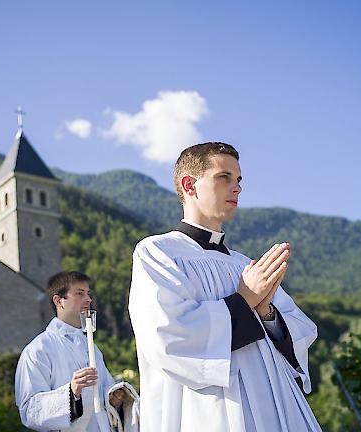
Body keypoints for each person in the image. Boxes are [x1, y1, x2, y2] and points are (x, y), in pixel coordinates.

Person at [129, 142, 321, 431]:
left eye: (239, 180)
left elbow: (299, 332)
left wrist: (267, 312)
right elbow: (169, 333)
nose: (237, 188)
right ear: (189, 185)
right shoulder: (158, 252)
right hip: (210, 413)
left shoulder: (245, 265)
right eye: (224, 177)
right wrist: (244, 300)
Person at [15, 271, 137, 432]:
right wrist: (72, 393)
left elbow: (105, 398)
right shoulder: (38, 349)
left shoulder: (92, 348)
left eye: (88, 293)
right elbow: (29, 411)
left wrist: (114, 400)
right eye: (80, 293)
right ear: (59, 301)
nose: (88, 299)